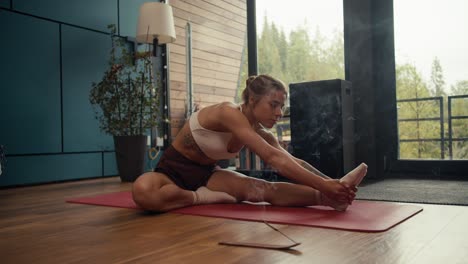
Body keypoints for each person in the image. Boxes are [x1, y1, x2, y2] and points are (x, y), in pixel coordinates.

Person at [132, 74, 368, 212]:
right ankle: (201, 198)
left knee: (265, 190)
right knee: (142, 192)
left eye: (282, 106)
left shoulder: (262, 133)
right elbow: (273, 159)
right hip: (173, 170)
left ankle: (327, 201)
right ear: (252, 100)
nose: (279, 112)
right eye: (273, 104)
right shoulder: (227, 112)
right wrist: (324, 183)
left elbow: (290, 160)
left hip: (208, 175)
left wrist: (330, 185)